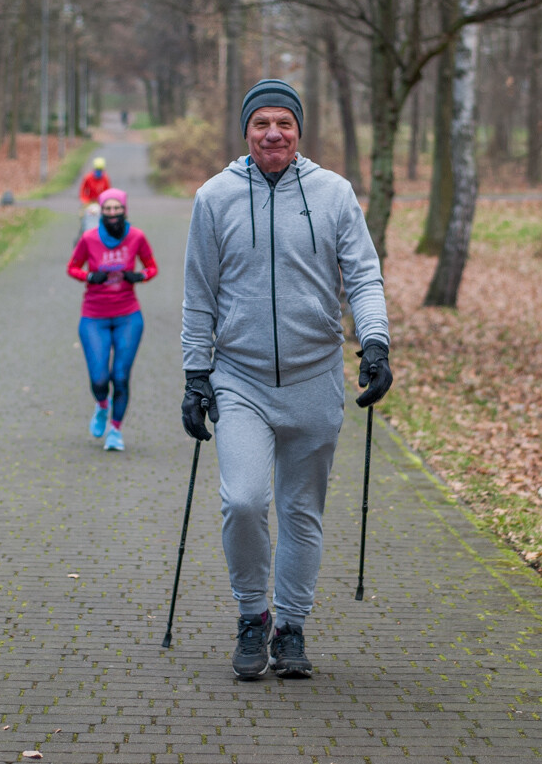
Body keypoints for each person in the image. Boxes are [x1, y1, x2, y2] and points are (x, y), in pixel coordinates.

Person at [180, 78, 393, 680]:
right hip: (240, 379)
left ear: (299, 131)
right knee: (244, 500)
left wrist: (374, 343)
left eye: (284, 123)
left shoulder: (333, 194)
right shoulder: (214, 198)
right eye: (261, 123)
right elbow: (199, 296)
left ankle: (291, 628)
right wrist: (198, 375)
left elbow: (364, 277)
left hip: (315, 376)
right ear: (245, 131)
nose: (273, 133)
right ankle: (253, 616)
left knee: (301, 512)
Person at [68, 188, 157, 452]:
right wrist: (88, 277)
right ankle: (101, 406)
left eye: (117, 208)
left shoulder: (137, 237)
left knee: (120, 376)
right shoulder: (89, 238)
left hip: (128, 316)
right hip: (94, 317)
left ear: (124, 210)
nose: (112, 213)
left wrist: (140, 276)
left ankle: (115, 430)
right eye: (107, 209)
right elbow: (72, 267)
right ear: (101, 212)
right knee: (99, 378)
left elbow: (152, 266)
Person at [79, 157, 111, 233]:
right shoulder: (88, 178)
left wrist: (104, 202)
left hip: (101, 202)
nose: (99, 171)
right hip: (89, 202)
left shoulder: (105, 178)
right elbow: (82, 191)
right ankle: (83, 230)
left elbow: (108, 191)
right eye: (97, 169)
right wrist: (85, 200)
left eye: (100, 170)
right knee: (83, 215)